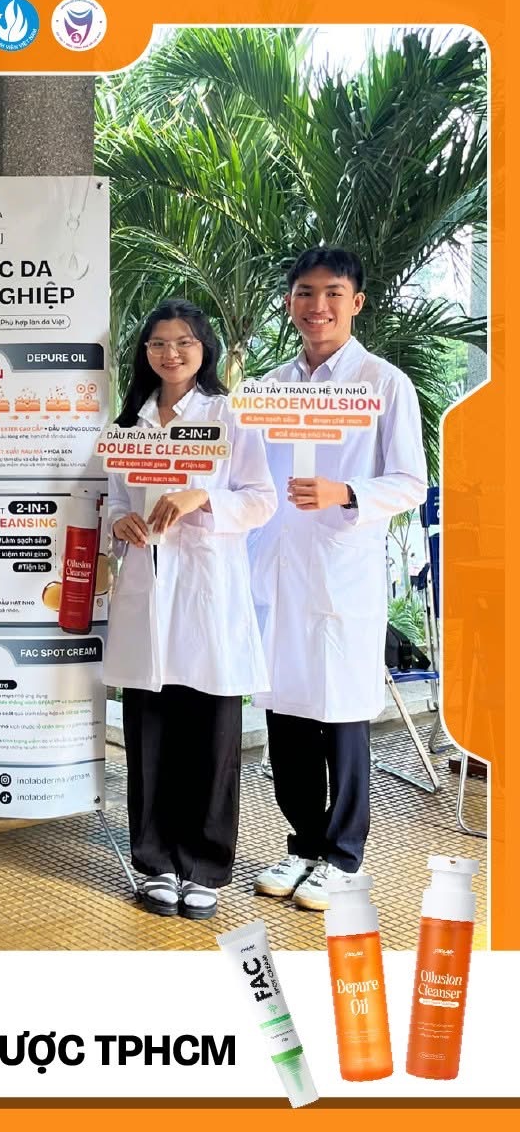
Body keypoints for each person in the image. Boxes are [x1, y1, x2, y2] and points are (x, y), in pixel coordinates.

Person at [249, 246, 427, 910]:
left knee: (343, 716)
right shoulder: (268, 388)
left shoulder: (385, 384)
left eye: (332, 293)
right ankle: (302, 845)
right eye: (304, 292)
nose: (316, 306)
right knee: (286, 713)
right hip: (276, 573)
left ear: (356, 302)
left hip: (341, 572)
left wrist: (345, 491)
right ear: (289, 302)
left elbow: (410, 481)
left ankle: (344, 857)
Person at [103, 300, 276, 920]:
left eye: (183, 342)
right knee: (149, 735)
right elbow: (113, 499)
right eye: (157, 343)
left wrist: (201, 497)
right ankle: (154, 862)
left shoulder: (229, 416)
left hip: (207, 595)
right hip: (147, 593)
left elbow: (262, 499)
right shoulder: (130, 423)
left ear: (204, 348)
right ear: (145, 353)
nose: (170, 353)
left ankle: (204, 866)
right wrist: (118, 522)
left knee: (210, 737)